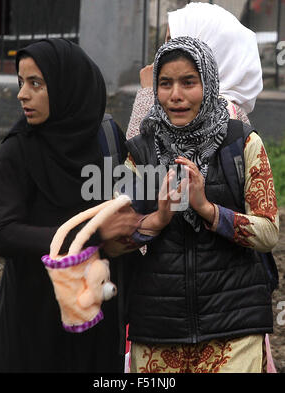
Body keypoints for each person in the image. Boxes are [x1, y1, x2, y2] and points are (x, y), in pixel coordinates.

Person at [126, 2, 278, 373]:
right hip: (158, 327)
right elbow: (118, 234)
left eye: (189, 82)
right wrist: (159, 219)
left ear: (209, 81)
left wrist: (208, 209)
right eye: (165, 83)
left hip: (233, 325)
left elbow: (269, 231)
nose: (175, 95)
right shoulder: (142, 150)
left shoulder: (240, 140)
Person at [0, 38, 140, 373]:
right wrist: (93, 234)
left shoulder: (107, 140)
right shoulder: (17, 152)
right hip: (31, 324)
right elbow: (5, 234)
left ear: (68, 86)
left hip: (96, 317)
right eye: (20, 82)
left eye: (35, 84)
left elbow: (129, 209)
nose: (22, 94)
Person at [126, 2, 263, 140]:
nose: (165, 49)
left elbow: (139, 152)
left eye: (171, 40)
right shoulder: (228, 110)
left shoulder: (214, 115)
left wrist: (148, 92)